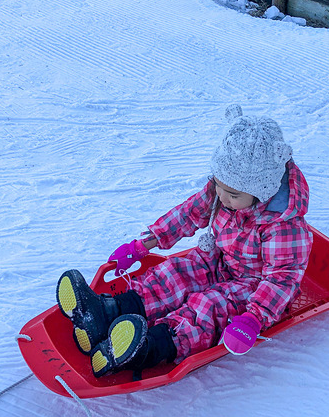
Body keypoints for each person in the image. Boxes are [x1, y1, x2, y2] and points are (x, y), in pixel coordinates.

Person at [56, 104, 314, 378]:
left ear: (262, 191)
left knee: (209, 306)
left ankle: (149, 346)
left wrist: (254, 317)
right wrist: (144, 244)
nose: (223, 198)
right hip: (219, 260)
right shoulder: (224, 190)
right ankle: (108, 312)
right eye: (219, 186)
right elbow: (189, 213)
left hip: (255, 286)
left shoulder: (283, 226)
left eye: (234, 195)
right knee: (176, 273)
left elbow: (282, 278)